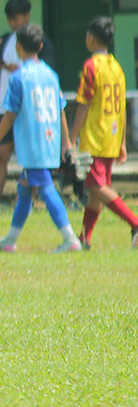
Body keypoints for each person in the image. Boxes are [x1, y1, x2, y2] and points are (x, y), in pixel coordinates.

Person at [0, 23, 81, 253]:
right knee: (25, 189)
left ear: (18, 47)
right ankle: (10, 240)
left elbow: (10, 114)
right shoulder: (51, 75)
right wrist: (66, 141)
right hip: (49, 140)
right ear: (40, 46)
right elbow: (60, 109)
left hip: (32, 142)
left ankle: (70, 239)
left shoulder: (19, 77)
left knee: (45, 187)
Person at [68, 17, 138, 249]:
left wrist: (72, 137)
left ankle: (135, 223)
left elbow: (84, 103)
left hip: (96, 136)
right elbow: (122, 107)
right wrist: (122, 142)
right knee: (96, 192)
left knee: (94, 187)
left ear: (90, 37)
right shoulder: (116, 67)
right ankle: (85, 239)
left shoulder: (91, 66)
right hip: (112, 135)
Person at [0, 0, 55, 215]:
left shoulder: (39, 41)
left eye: (17, 18)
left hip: (30, 110)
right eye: (10, 19)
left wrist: (19, 69)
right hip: (4, 108)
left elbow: (48, 69)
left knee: (31, 160)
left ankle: (27, 203)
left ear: (27, 15)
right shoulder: (4, 40)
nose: (13, 23)